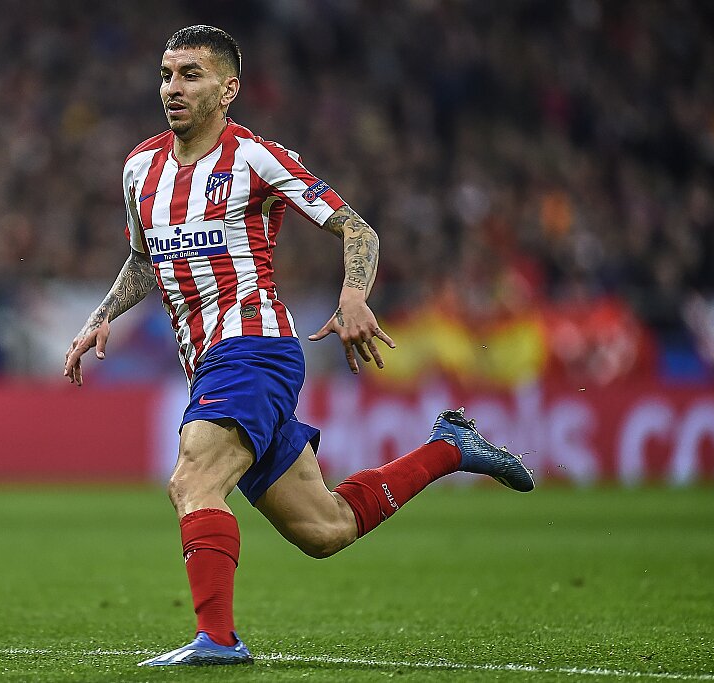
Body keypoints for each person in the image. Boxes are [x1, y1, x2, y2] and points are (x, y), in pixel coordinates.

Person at [63, 25, 534, 667]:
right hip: (208, 363)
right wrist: (101, 316)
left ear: (228, 89)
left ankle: (217, 640)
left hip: (254, 346)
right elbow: (145, 258)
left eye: (191, 75)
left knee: (194, 479)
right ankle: (449, 448)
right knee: (325, 528)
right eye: (167, 75)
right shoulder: (139, 168)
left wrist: (353, 297)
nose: (173, 87)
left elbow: (357, 229)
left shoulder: (256, 158)